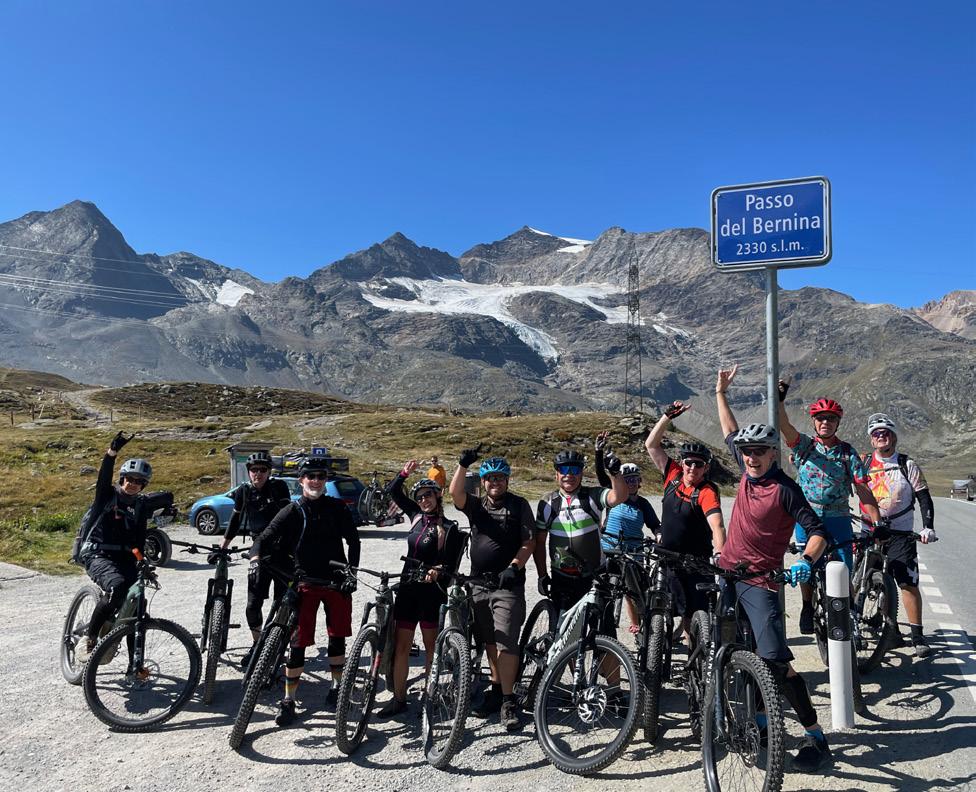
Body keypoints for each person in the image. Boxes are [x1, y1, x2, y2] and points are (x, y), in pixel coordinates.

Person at [717, 364, 833, 773]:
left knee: (775, 662)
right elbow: (729, 430)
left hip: (760, 584)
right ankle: (759, 726)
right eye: (747, 452)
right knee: (733, 652)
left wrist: (805, 561)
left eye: (759, 452)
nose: (751, 458)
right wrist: (720, 393)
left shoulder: (785, 489)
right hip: (727, 575)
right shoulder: (746, 468)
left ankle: (816, 736)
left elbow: (818, 533)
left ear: (773, 454)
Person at [253, 454, 362, 727]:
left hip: (336, 582)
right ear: (301, 480)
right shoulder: (292, 509)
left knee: (337, 638)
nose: (315, 481)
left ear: (326, 480)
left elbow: (354, 541)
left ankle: (336, 688)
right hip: (305, 583)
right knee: (298, 643)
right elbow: (264, 537)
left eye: (320, 477)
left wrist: (352, 573)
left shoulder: (337, 507)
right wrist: (255, 560)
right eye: (310, 476)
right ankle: (288, 700)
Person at [777, 381, 882, 635]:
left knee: (844, 569)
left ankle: (848, 613)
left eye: (831, 419)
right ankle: (806, 605)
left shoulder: (847, 453)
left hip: (838, 517)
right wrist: (779, 401)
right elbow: (784, 426)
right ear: (814, 422)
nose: (826, 422)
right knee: (806, 566)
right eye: (821, 418)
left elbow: (863, 490)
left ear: (838, 423)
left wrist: (877, 523)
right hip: (807, 516)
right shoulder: (804, 446)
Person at [450, 447, 535, 731]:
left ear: (507, 480)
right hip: (478, 584)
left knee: (506, 641)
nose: (494, 482)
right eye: (489, 478)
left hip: (506, 585)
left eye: (499, 478)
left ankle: (509, 700)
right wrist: (463, 465)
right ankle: (497, 689)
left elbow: (529, 541)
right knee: (488, 640)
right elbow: (455, 494)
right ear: (483, 482)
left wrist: (515, 566)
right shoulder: (477, 506)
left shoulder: (519, 505)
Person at [379, 460, 466, 717]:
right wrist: (404, 473)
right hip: (408, 590)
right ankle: (398, 699)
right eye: (419, 497)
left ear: (438, 496)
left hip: (431, 593)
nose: (423, 500)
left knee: (431, 649)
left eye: (428, 495)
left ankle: (430, 699)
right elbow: (394, 492)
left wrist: (438, 570)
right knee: (401, 647)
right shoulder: (416, 516)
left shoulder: (449, 528)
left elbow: (450, 564)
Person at [77, 431, 174, 659]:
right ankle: (89, 639)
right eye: (129, 478)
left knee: (137, 604)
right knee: (117, 588)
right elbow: (104, 476)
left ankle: (135, 663)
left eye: (139, 481)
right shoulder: (107, 495)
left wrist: (143, 564)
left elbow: (138, 542)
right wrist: (112, 452)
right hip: (97, 554)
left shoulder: (140, 506)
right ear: (122, 478)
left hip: (124, 558)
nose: (133, 484)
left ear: (144, 485)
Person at [644, 403, 726, 644]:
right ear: (682, 463)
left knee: (694, 617)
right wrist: (666, 417)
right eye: (689, 462)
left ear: (706, 468)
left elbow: (717, 525)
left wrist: (720, 553)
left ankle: (695, 661)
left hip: (695, 562)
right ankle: (657, 653)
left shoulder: (707, 491)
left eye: (699, 464)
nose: (692, 467)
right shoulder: (672, 475)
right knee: (660, 606)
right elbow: (651, 445)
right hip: (667, 559)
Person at [859, 413, 938, 658]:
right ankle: (865, 627)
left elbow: (923, 496)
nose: (881, 436)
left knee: (907, 582)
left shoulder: (907, 464)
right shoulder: (863, 462)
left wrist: (928, 526)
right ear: (871, 439)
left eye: (886, 433)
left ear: (893, 437)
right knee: (860, 580)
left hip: (900, 532)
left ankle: (917, 636)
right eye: (876, 433)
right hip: (870, 530)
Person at [215, 450, 292, 667]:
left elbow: (289, 518)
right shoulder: (244, 491)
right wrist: (223, 546)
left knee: (282, 602)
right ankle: (257, 644)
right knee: (252, 604)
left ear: (269, 472)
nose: (258, 474)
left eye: (262, 470)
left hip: (283, 551)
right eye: (254, 470)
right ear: (248, 472)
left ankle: (277, 644)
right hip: (259, 551)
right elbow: (235, 519)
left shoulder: (278, 487)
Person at [534, 448, 628, 619]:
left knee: (603, 625)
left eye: (575, 470)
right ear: (556, 474)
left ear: (582, 473)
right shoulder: (547, 503)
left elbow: (619, 496)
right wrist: (542, 576)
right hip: (561, 577)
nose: (569, 474)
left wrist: (615, 474)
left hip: (595, 575)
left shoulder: (593, 496)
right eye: (564, 469)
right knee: (561, 627)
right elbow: (539, 543)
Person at [593, 431, 661, 633]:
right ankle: (602, 623)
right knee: (604, 588)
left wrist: (659, 536)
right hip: (609, 548)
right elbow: (601, 475)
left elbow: (655, 525)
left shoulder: (643, 504)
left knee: (633, 592)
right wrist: (598, 452)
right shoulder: (614, 495)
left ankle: (637, 623)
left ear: (639, 482)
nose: (630, 482)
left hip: (633, 552)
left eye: (634, 479)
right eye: (627, 479)